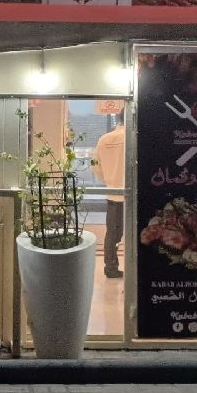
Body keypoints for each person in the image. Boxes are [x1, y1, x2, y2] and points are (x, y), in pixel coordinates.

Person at [92, 112, 125, 278]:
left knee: (112, 233)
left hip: (113, 194)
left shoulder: (103, 139)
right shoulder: (134, 138)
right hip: (133, 196)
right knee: (136, 232)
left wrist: (109, 179)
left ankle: (110, 267)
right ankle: (136, 267)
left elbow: (94, 165)